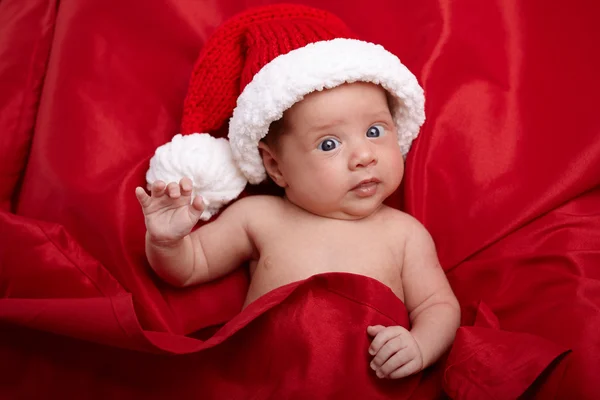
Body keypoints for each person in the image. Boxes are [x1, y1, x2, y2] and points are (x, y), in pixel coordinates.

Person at [135, 4, 460, 380]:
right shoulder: (259, 217)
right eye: (328, 144)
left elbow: (439, 305)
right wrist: (167, 242)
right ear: (276, 167)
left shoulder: (404, 234)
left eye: (374, 131)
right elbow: (187, 269)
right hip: (265, 382)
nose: (364, 156)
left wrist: (419, 345)